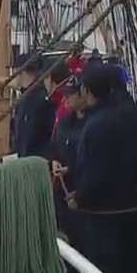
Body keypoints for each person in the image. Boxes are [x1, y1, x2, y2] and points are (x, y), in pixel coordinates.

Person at [69, 63, 137, 273]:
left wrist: (79, 197)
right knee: (115, 270)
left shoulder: (97, 125)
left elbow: (96, 171)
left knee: (100, 270)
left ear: (87, 90)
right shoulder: (119, 118)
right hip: (120, 205)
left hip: (99, 212)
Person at [49, 74, 90, 240]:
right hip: (62, 192)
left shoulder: (92, 124)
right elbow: (54, 147)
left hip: (82, 194)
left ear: (82, 95)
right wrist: (54, 161)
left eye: (69, 94)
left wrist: (70, 169)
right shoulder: (65, 122)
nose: (64, 98)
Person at [9, 53, 54, 157]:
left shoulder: (41, 100)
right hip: (22, 161)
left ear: (21, 71)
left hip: (33, 163)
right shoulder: (25, 99)